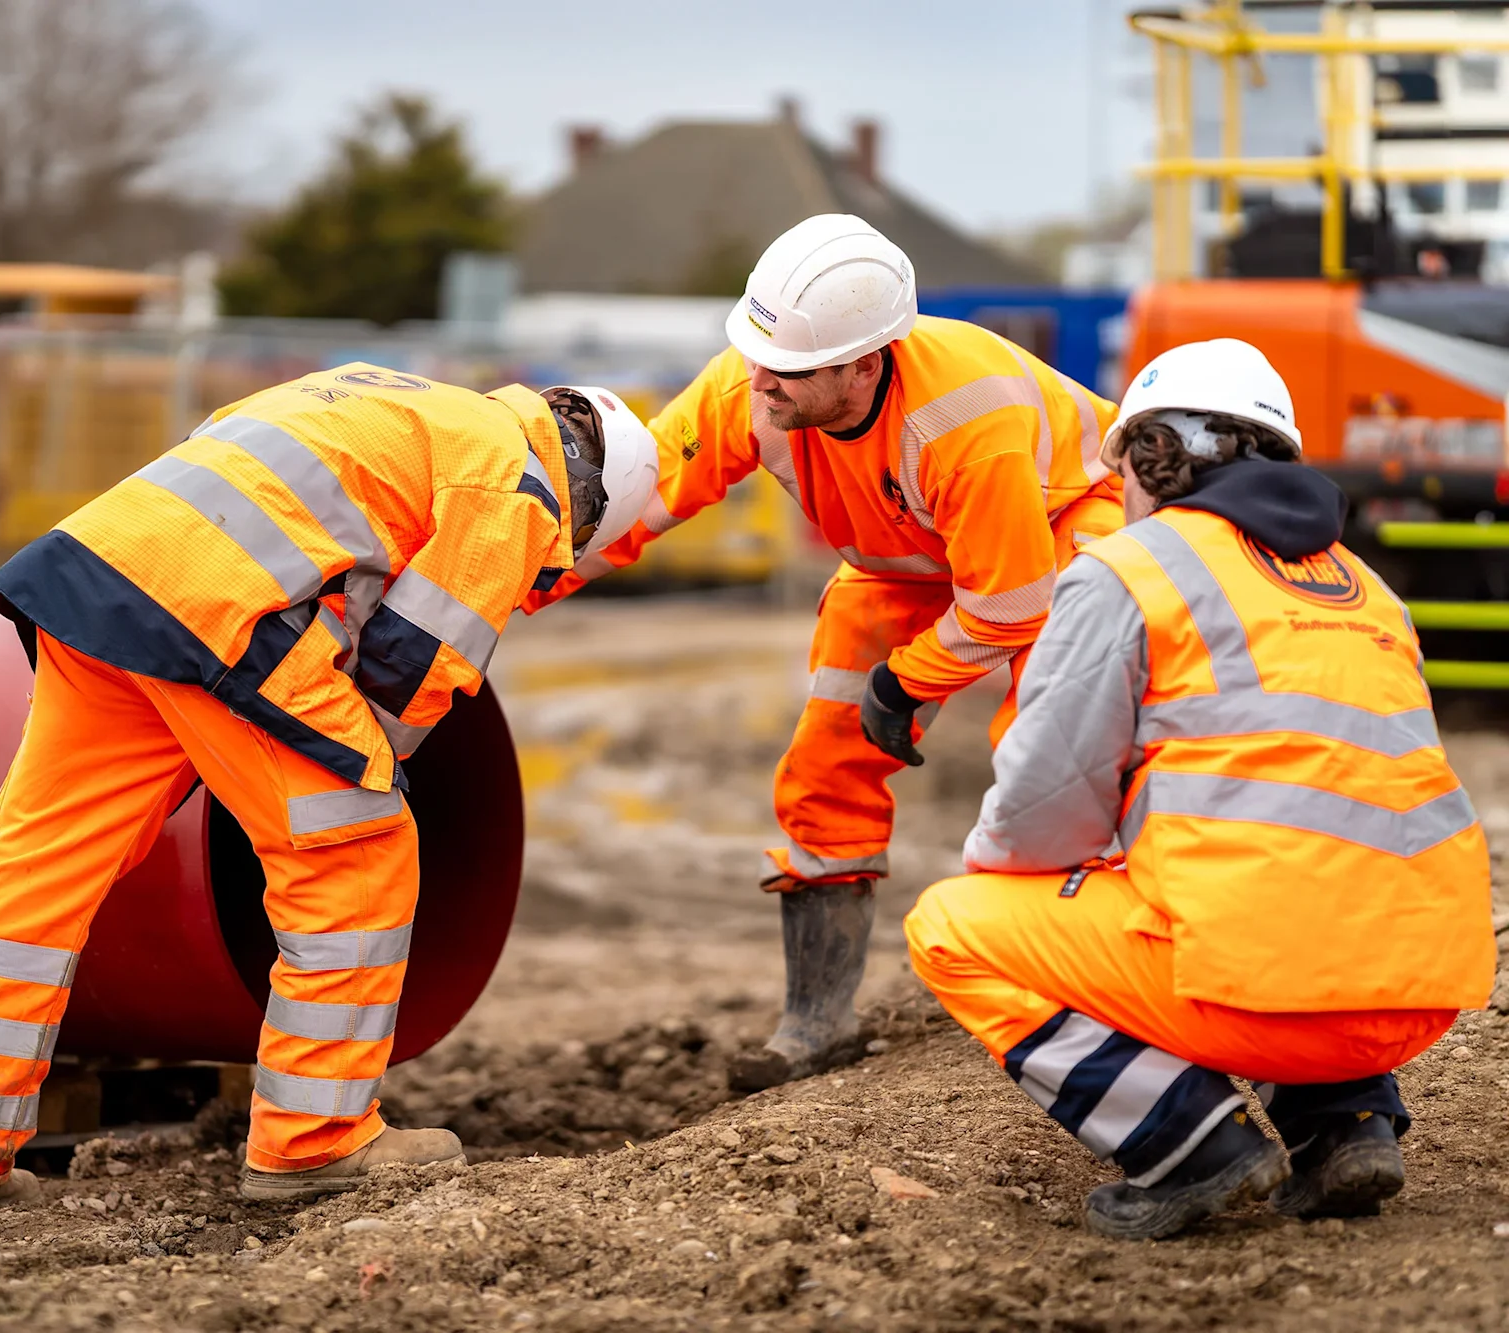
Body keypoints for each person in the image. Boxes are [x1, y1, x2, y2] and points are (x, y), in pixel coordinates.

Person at [0, 365, 660, 1218]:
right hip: (224, 617)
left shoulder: (402, 398)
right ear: (591, 506)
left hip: (100, 580)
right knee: (360, 849)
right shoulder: (520, 484)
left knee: (39, 871)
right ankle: (314, 1138)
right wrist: (352, 775)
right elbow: (409, 675)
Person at [904, 339, 1496, 1240]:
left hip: (1264, 1000)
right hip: (1416, 995)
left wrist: (1025, 875)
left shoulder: (1130, 569)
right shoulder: (1369, 589)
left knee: (953, 926)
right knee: (1281, 876)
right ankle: (1347, 1125)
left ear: (1151, 457)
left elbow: (1040, 812)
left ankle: (1192, 1149)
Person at [526, 214, 1123, 1090]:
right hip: (900, 564)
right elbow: (639, 498)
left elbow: (1007, 606)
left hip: (1059, 538)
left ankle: (1089, 997)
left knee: (1055, 760)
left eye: (789, 370)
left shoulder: (965, 418)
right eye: (754, 353)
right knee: (822, 767)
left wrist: (909, 680)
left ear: (864, 362)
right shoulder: (757, 378)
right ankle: (818, 1019)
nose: (759, 381)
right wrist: (523, 585)